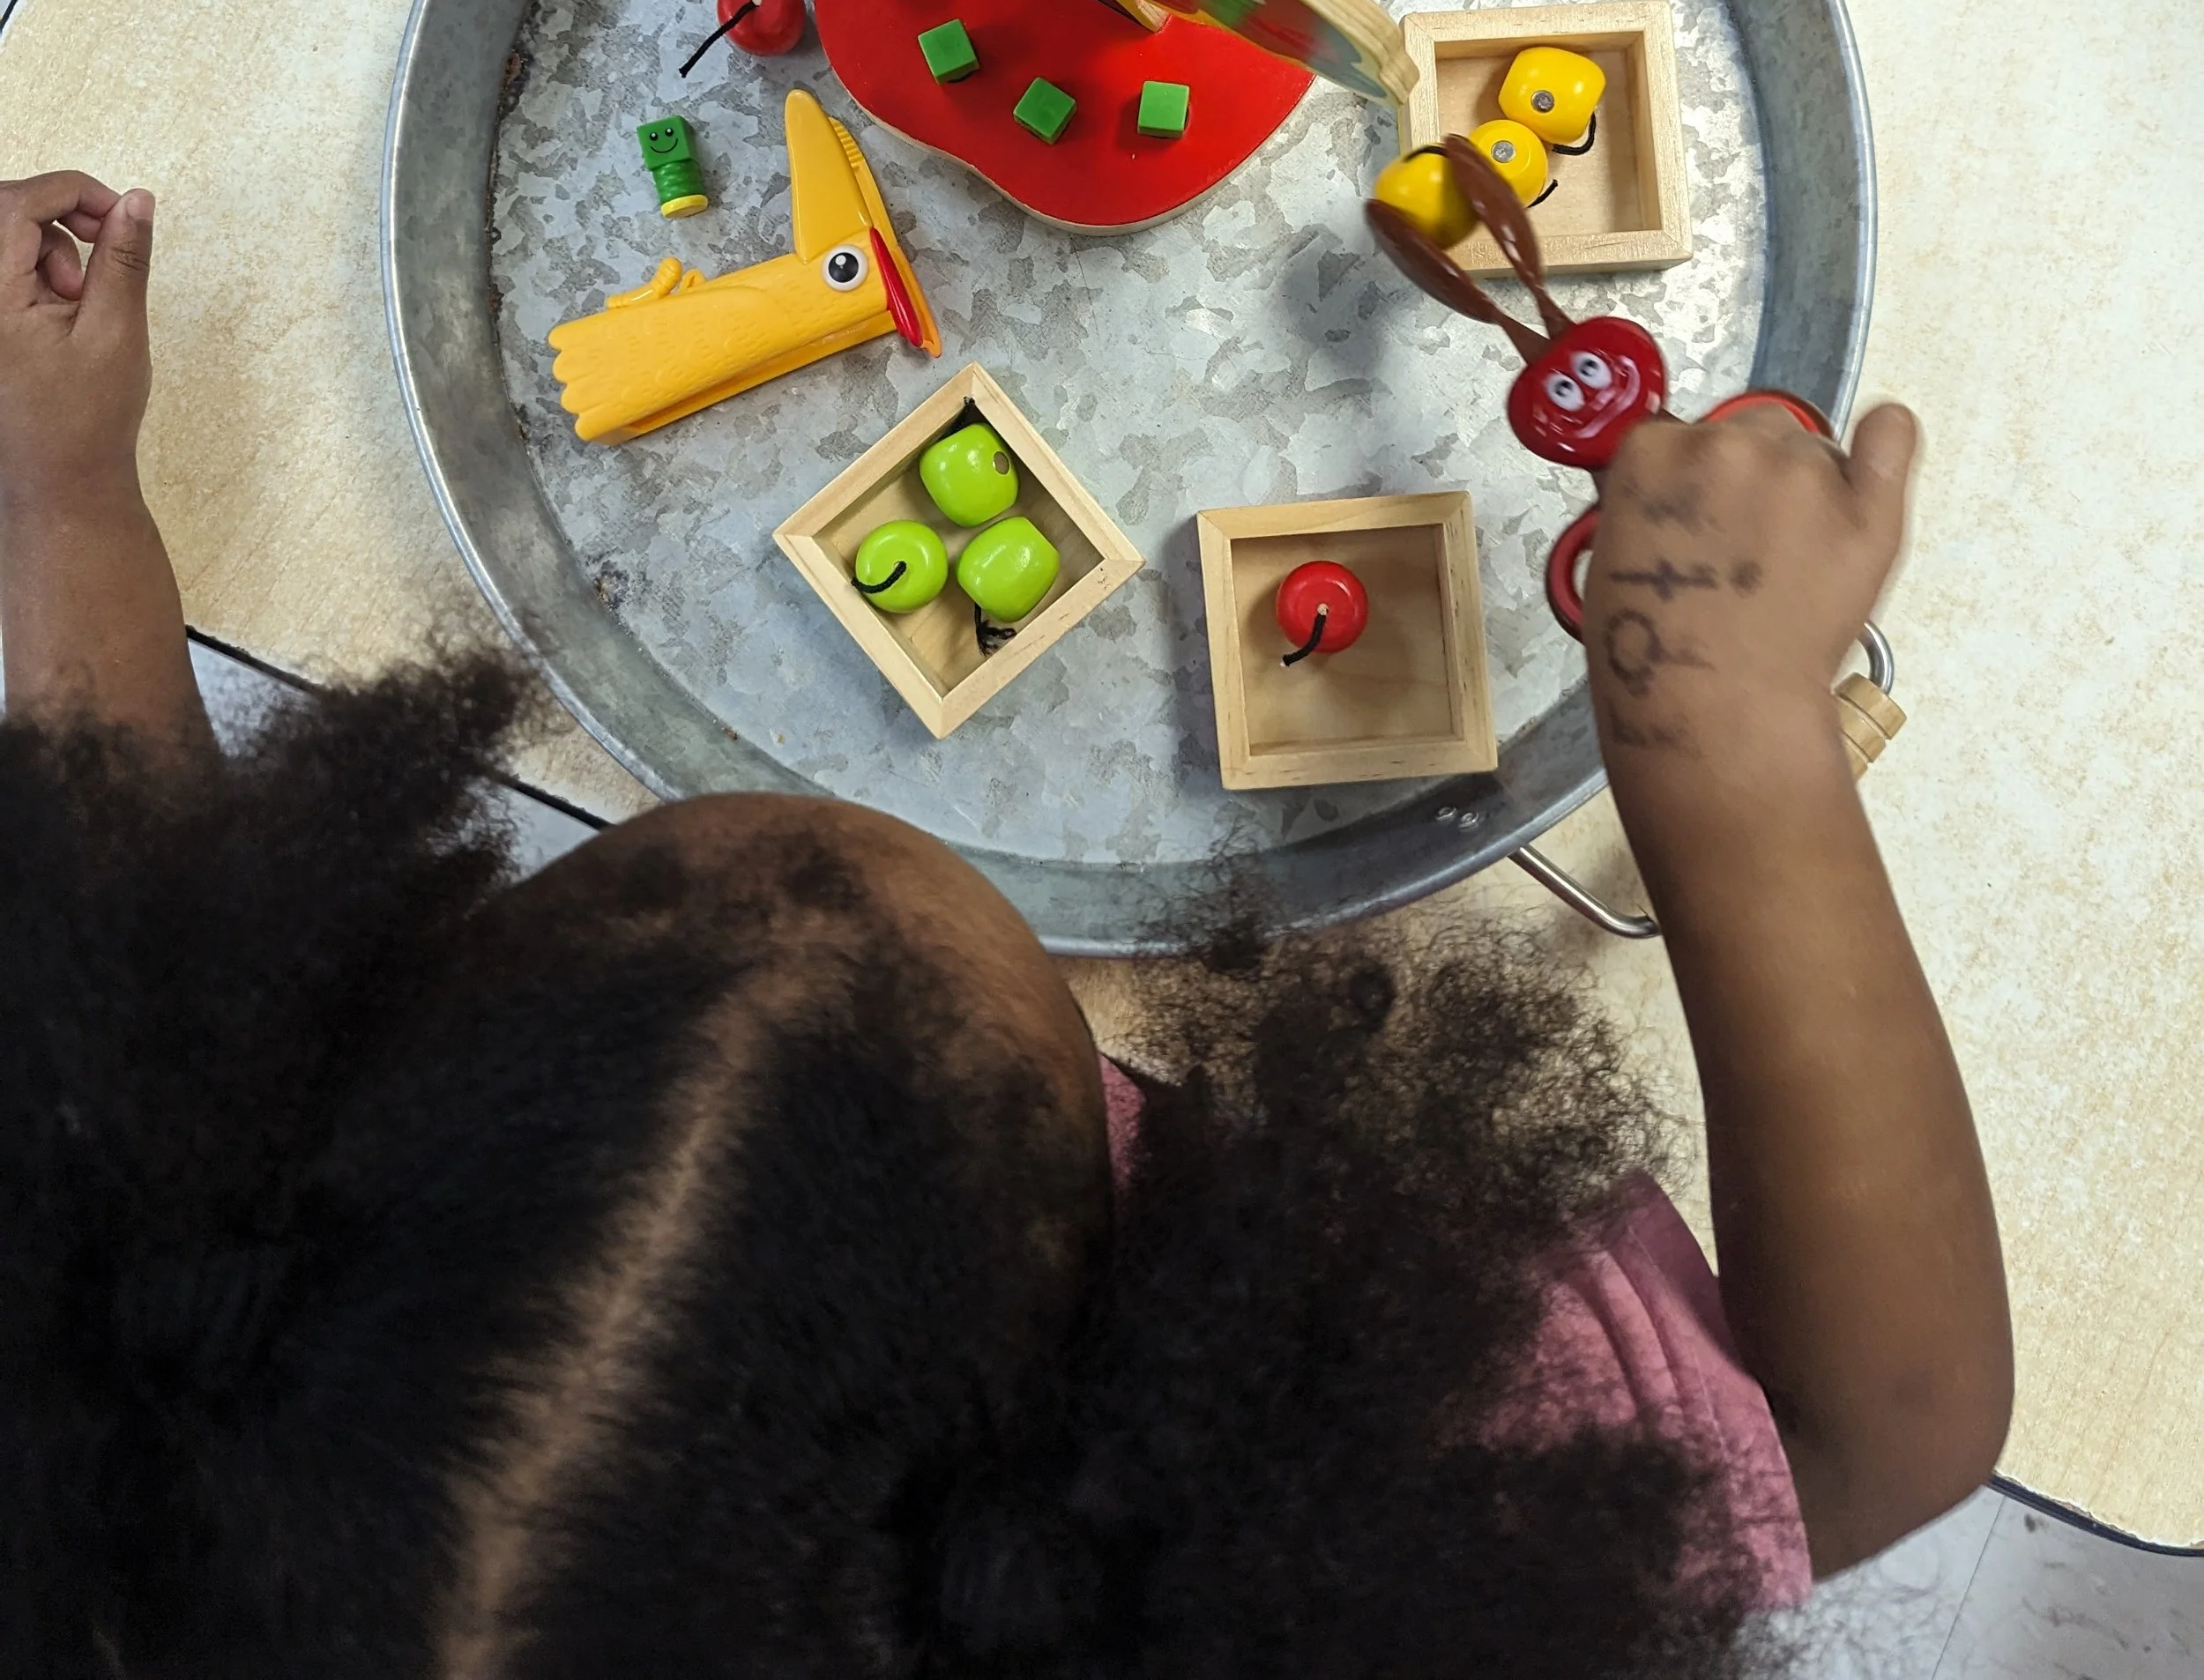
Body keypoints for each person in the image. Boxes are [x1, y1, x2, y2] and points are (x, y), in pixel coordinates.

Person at [0, 167, 2010, 1677]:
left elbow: (142, 995)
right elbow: (1878, 1430)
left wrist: (58, 507)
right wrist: (1733, 749)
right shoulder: (1362, 1522)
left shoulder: (158, 1426)